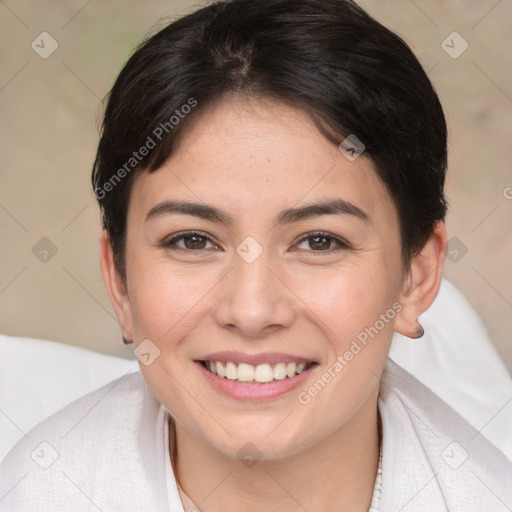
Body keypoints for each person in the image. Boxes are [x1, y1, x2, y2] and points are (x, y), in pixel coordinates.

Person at [1, 0, 511, 510]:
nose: (250, 311)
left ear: (415, 278)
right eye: (193, 240)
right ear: (119, 279)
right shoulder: (37, 491)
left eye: (319, 241)